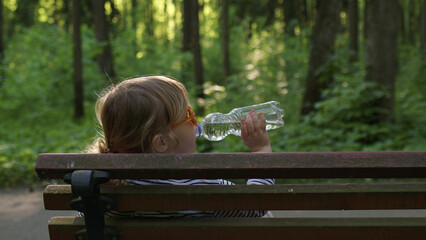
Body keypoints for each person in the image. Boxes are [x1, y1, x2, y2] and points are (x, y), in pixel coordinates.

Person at [88, 75, 274, 218]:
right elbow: (254, 206)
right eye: (189, 116)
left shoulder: (99, 190)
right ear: (161, 142)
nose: (196, 122)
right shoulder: (200, 186)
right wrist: (261, 151)